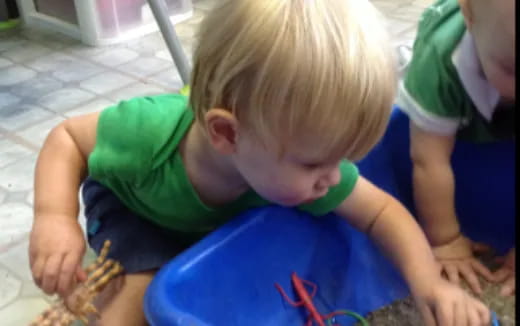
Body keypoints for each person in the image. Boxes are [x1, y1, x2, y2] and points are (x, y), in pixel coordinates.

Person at [29, 0, 491, 325]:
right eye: (315, 164)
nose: (333, 178)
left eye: (342, 160)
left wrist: (430, 285)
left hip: (217, 212)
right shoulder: (146, 133)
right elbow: (67, 138)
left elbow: (384, 213)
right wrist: (54, 216)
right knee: (140, 302)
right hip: (139, 207)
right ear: (227, 133)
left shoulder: (295, 155)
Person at [397, 0, 515, 297]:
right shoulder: (440, 64)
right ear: (470, 13)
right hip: (450, 79)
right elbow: (428, 161)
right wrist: (445, 240)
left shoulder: (503, 42)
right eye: (513, 69)